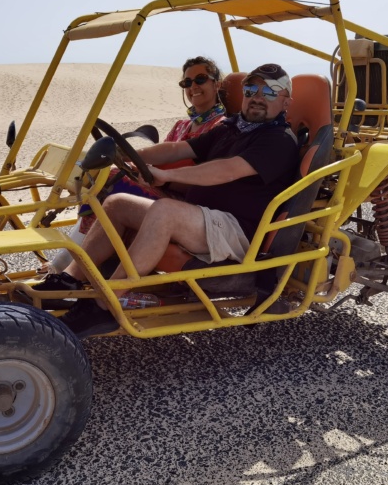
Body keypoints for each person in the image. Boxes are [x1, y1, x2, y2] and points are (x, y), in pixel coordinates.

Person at [37, 63, 299, 337]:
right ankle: (67, 281)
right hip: (202, 217)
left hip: (235, 231)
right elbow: (177, 149)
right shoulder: (232, 128)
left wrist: (164, 175)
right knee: (117, 204)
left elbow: (226, 170)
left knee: (165, 211)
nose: (258, 96)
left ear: (285, 102)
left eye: (270, 91)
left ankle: (105, 306)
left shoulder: (278, 140)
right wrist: (127, 155)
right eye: (251, 88)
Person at [41, 55, 228, 274]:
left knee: (111, 181)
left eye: (200, 79)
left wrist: (163, 178)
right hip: (161, 188)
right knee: (102, 179)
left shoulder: (221, 126)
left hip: (188, 204)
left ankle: (66, 268)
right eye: (187, 83)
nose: (193, 87)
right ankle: (73, 261)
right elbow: (161, 156)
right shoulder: (181, 125)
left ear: (216, 83)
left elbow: (209, 178)